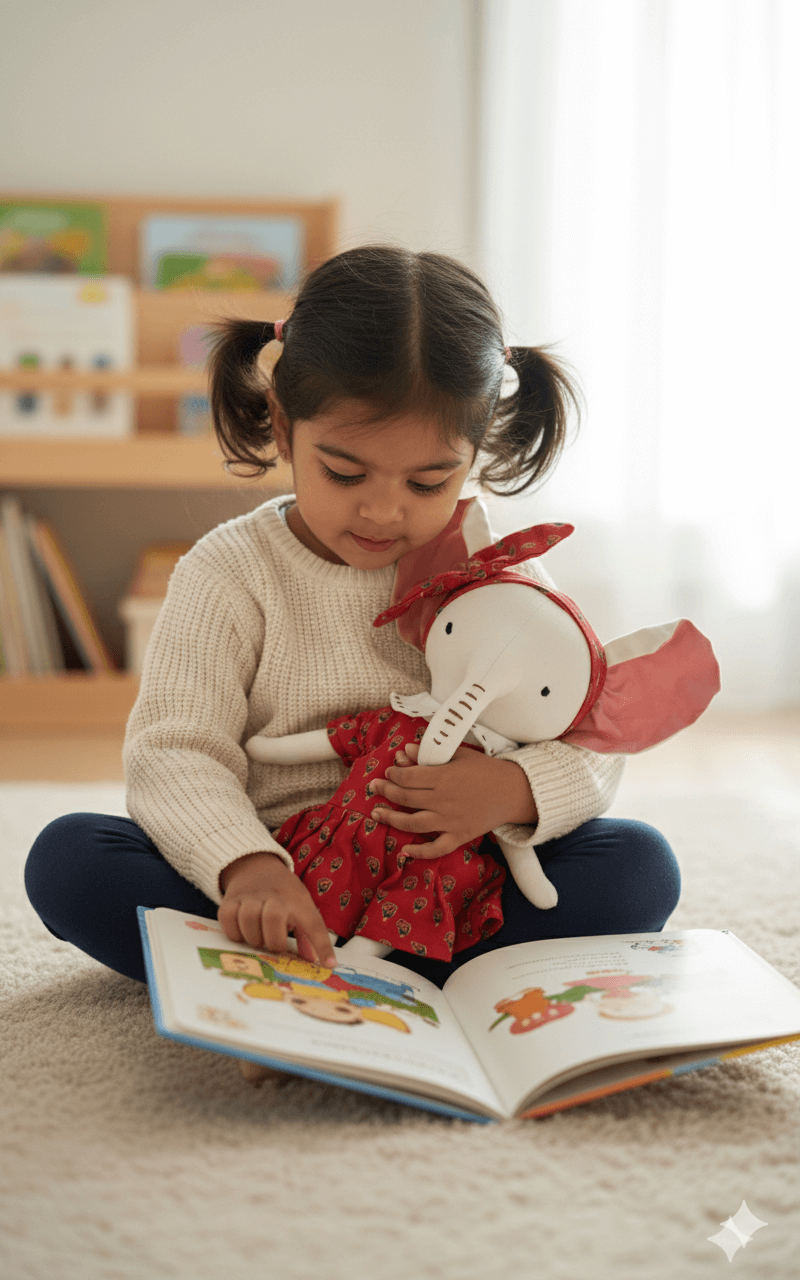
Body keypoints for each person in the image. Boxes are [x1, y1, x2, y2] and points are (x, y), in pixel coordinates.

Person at [25, 245, 680, 1006]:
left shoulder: (494, 569)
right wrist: (247, 868)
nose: (382, 510)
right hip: (275, 883)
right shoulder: (229, 571)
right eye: (344, 472)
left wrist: (512, 789)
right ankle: (370, 973)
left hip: (441, 885)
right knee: (69, 858)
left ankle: (352, 978)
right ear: (282, 423)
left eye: (429, 481)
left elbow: (590, 732)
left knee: (638, 865)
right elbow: (175, 751)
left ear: (474, 455)